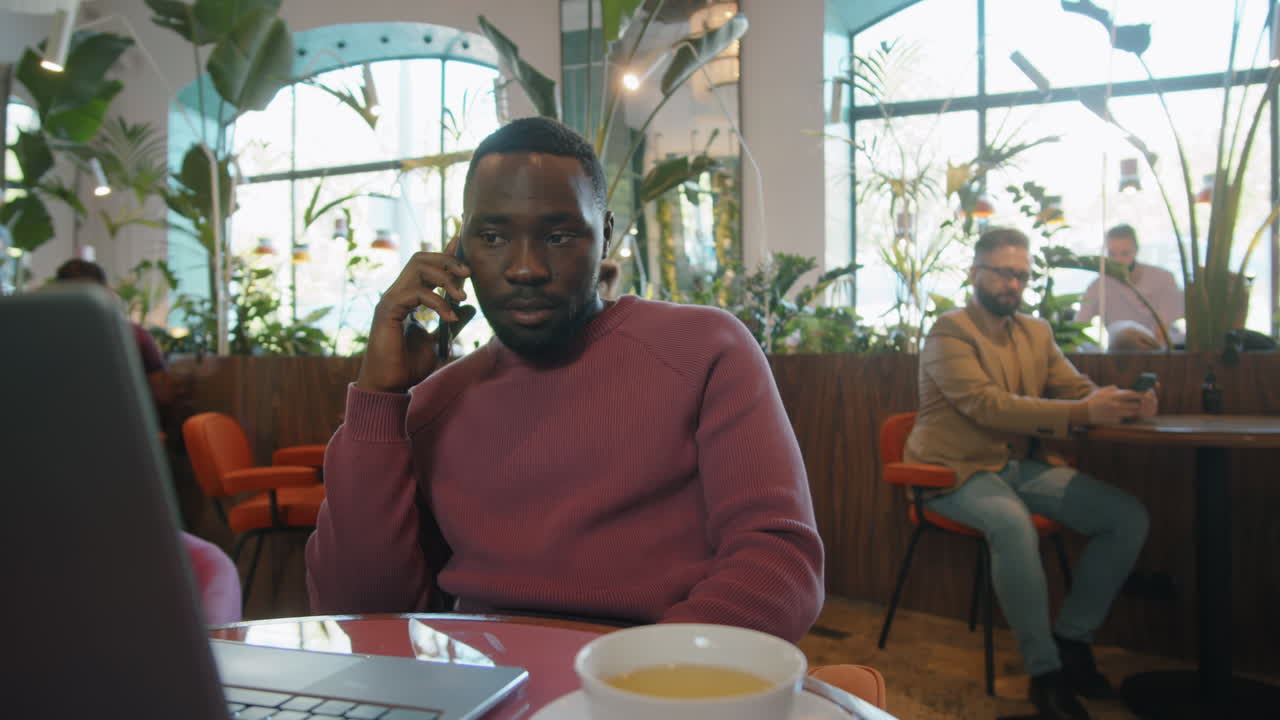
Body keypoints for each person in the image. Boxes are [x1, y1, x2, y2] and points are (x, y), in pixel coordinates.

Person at [305, 117, 824, 642]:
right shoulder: (432, 405)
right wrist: (379, 398)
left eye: (558, 235)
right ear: (459, 250)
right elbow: (364, 613)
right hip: (486, 688)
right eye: (492, 237)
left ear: (605, 238)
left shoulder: (706, 351)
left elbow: (779, 566)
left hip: (659, 686)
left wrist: (633, 682)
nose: (525, 267)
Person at [906, 228, 1154, 720]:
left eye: (1021, 274)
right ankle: (1046, 675)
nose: (1013, 284)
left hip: (1017, 467)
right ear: (976, 273)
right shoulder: (948, 331)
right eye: (1003, 272)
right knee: (1012, 524)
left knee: (1127, 517)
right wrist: (1084, 414)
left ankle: (1072, 642)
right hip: (949, 471)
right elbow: (986, 405)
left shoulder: (1036, 332)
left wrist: (1125, 402)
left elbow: (1075, 390)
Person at [54, 258, 173, 413]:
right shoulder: (134, 336)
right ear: (104, 292)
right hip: (125, 427)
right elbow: (163, 396)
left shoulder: (45, 339)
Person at [1076, 224, 1183, 348]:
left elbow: (1163, 331)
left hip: (1162, 352)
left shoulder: (1164, 279)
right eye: (1112, 254)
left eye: (1125, 253)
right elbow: (1079, 325)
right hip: (1120, 354)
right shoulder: (1098, 286)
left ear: (1136, 250)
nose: (1118, 260)